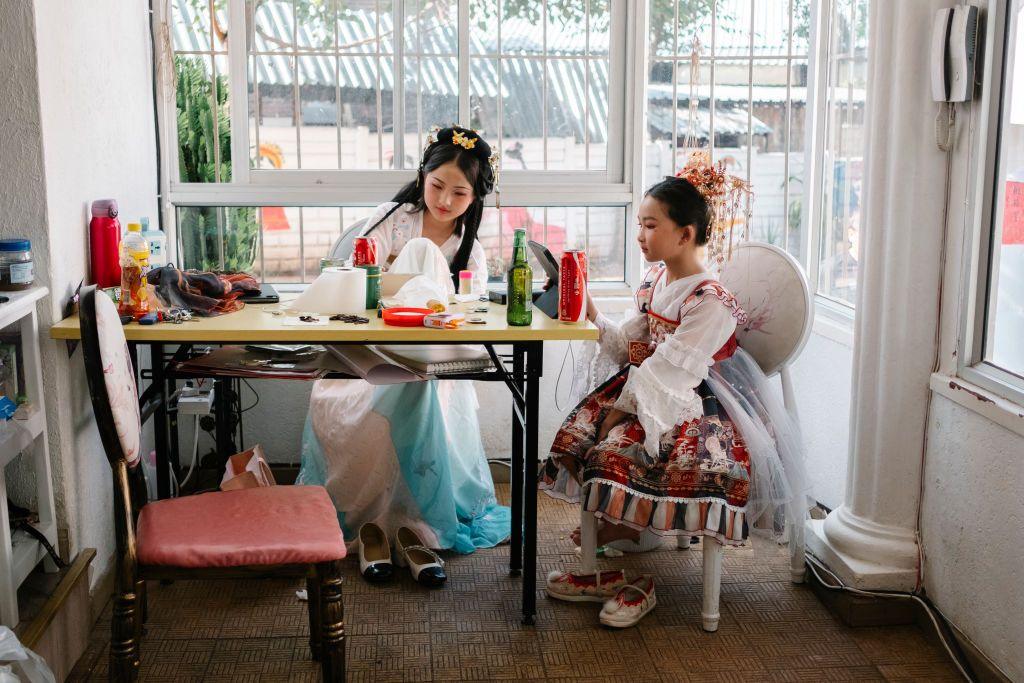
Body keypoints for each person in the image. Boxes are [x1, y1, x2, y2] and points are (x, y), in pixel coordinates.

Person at [540, 155, 806, 627]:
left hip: (701, 397)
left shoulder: (711, 300)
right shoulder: (657, 278)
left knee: (620, 447)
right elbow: (631, 346)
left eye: (649, 226)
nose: (640, 236)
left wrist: (622, 411)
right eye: (640, 225)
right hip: (649, 381)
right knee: (580, 437)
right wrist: (593, 311)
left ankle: (631, 532)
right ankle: (622, 530)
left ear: (685, 234)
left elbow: (674, 368)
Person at [297, 126, 510, 586]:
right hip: (371, 353)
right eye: (437, 186)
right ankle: (391, 525)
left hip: (434, 361)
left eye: (459, 193)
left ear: (475, 198)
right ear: (422, 176)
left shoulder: (470, 249)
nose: (445, 201)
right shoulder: (391, 219)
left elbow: (472, 317)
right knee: (419, 253)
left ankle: (410, 525)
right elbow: (350, 280)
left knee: (422, 386)